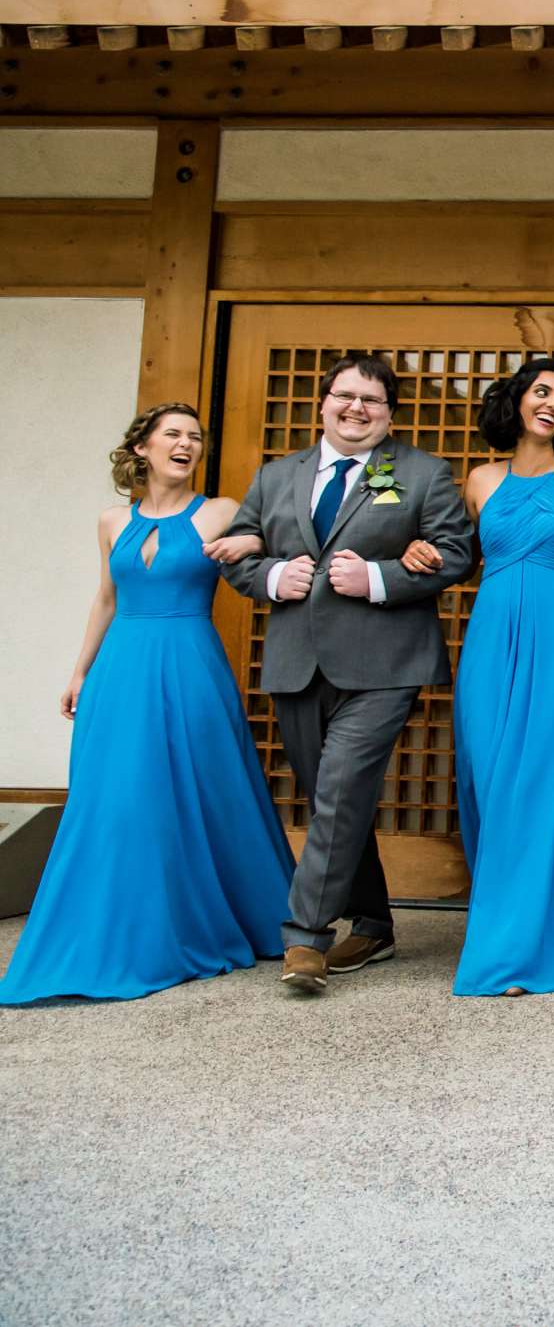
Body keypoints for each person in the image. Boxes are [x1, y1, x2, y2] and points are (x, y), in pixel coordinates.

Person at [0, 405, 294, 1004]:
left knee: (208, 788)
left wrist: (251, 543)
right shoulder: (112, 520)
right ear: (142, 448)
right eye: (173, 435)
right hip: (120, 668)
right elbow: (106, 598)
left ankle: (248, 915)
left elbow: (264, 550)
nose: (186, 445)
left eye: (195, 438)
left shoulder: (219, 511)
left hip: (190, 661)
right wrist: (80, 671)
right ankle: (118, 922)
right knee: (117, 795)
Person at [211, 353, 475, 995]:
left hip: (385, 663)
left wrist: (381, 578)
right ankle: (377, 923)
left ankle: (305, 937)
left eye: (372, 401)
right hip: (298, 661)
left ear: (390, 414)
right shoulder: (277, 476)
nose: (357, 409)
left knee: (339, 789)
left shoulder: (422, 473)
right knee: (333, 798)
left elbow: (458, 554)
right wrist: (273, 575)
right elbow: (238, 550)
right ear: (324, 402)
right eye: (346, 396)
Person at [397, 360, 554, 998]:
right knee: (492, 779)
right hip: (491, 636)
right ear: (516, 401)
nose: (552, 403)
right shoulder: (480, 479)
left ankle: (534, 948)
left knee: (545, 780)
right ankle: (500, 932)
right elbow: (459, 558)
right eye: (541, 392)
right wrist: (423, 553)